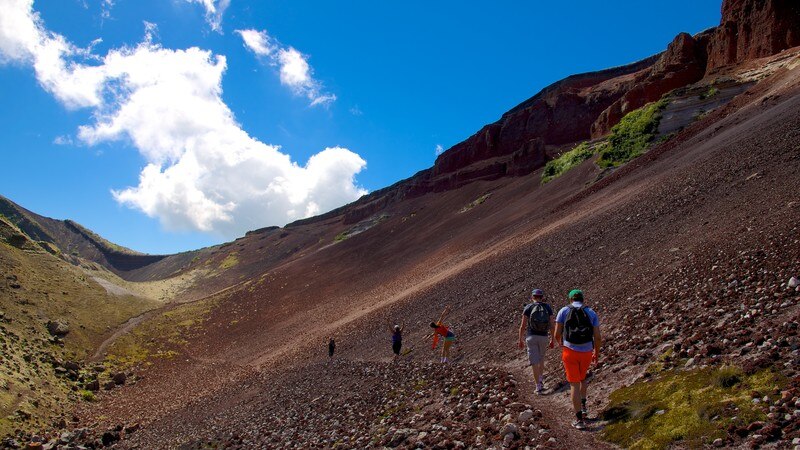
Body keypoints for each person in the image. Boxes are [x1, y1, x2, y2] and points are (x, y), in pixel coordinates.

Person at [554, 289, 601, 430]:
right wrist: (596, 353)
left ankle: (579, 419)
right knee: (582, 378)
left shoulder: (563, 311)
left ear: (570, 299)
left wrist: (561, 344)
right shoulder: (591, 312)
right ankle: (584, 406)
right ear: (582, 299)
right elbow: (597, 337)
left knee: (573, 384)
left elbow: (557, 333)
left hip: (570, 351)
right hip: (587, 351)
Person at [518, 288, 555, 394]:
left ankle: (538, 386)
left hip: (531, 337)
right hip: (543, 337)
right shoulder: (547, 307)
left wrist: (520, 339)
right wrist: (552, 339)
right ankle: (540, 380)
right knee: (541, 359)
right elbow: (552, 325)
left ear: (532, 297)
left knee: (534, 362)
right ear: (542, 297)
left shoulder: (528, 307)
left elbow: (523, 325)